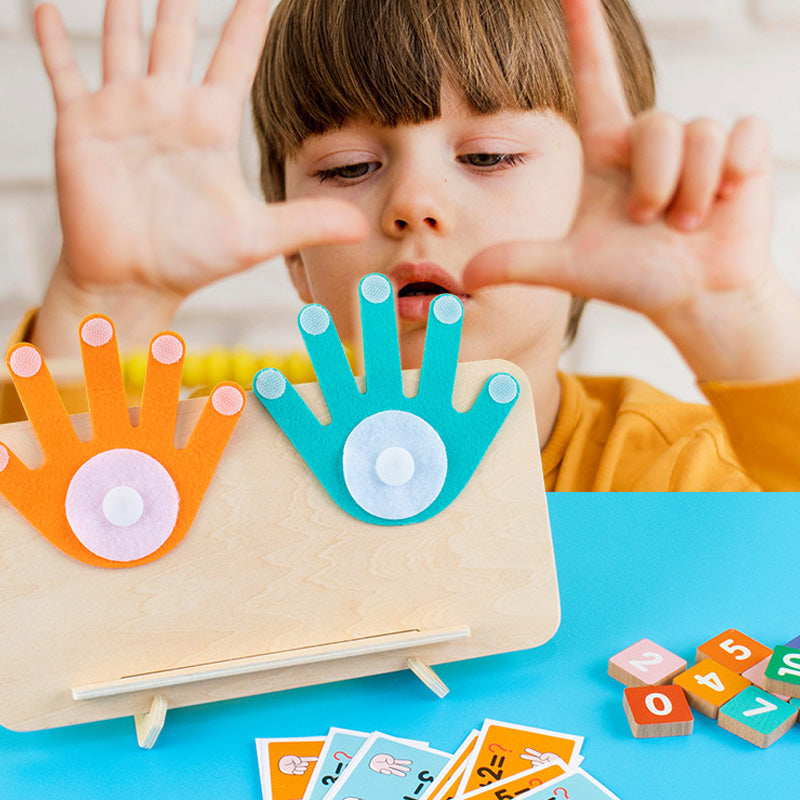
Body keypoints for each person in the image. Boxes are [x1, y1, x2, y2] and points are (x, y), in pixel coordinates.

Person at [5, 0, 800, 490]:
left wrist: (737, 319)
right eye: (348, 168)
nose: (413, 203)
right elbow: (48, 556)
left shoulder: (682, 472)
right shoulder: (205, 468)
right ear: (295, 260)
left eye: (488, 156)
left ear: (604, 202)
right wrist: (104, 307)